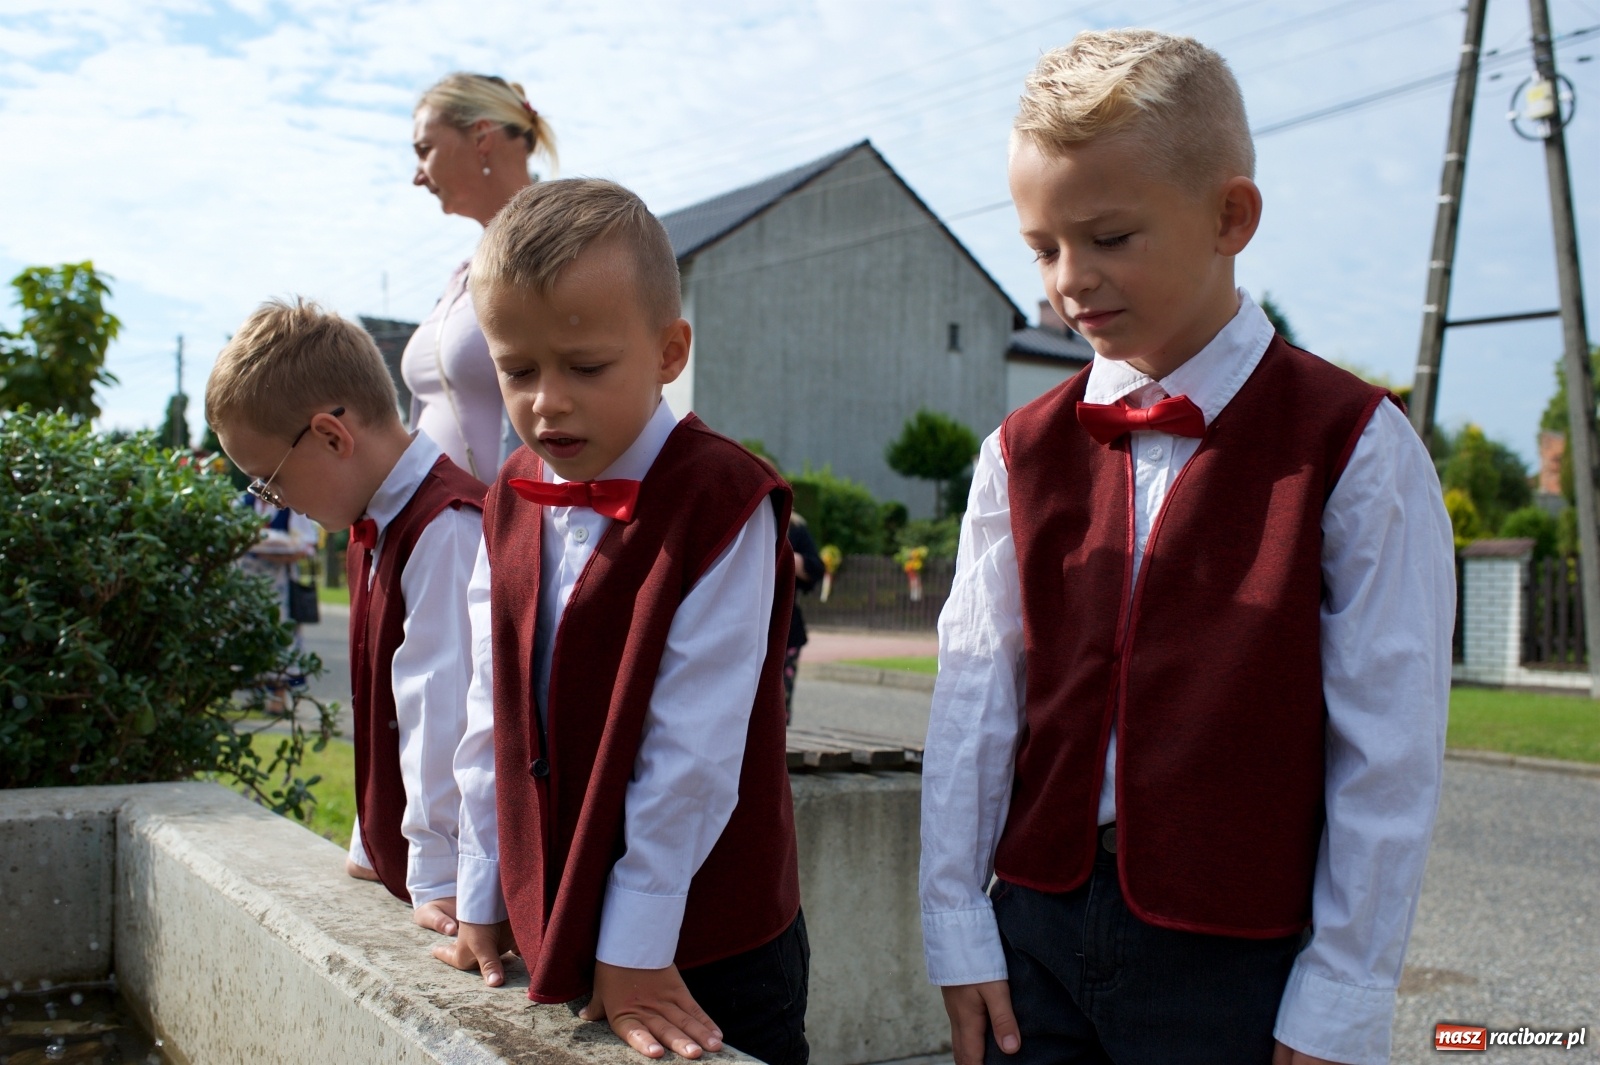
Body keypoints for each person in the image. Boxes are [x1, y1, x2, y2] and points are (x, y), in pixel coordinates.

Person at [919, 30, 1454, 1065]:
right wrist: (957, 927)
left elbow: (1385, 747)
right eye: (1042, 247)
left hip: (1236, 966)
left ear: (1229, 217)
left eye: (1109, 238)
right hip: (1033, 944)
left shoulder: (1354, 446)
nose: (1070, 280)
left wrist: (1339, 995)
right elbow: (974, 703)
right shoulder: (1017, 455)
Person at [432, 179, 809, 1065]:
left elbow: (694, 752)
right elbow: (493, 713)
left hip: (707, 940)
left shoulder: (724, 497)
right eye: (517, 370)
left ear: (670, 349)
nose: (546, 402)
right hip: (553, 916)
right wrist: (486, 884)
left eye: (586, 367)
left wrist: (637, 945)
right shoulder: (508, 497)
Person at [206, 297, 485, 941]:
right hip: (406, 873)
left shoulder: (444, 530)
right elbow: (383, 709)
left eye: (268, 481)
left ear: (331, 436)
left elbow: (446, 721)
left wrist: (441, 877)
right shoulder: (373, 520)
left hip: (447, 891)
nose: (275, 501)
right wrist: (372, 839)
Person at [404, 72, 558, 481]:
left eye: (425, 149)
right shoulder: (463, 275)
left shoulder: (559, 252)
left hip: (498, 533)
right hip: (436, 534)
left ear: (481, 138)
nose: (418, 175)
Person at [784, 512, 824, 722]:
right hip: (744, 627)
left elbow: (816, 567)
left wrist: (784, 552)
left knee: (779, 702)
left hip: (786, 626)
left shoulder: (795, 526)